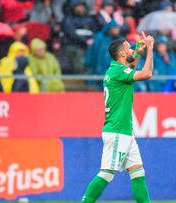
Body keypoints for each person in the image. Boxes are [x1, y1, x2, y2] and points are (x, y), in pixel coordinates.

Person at [80, 33, 155, 203]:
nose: (132, 48)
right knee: (107, 173)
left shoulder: (116, 69)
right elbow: (147, 74)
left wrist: (138, 51)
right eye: (129, 47)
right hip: (117, 131)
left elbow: (131, 64)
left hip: (125, 131)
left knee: (138, 173)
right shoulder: (117, 71)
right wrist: (150, 49)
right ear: (121, 53)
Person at [61, 0, 96, 74]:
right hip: (73, 46)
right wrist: (85, 41)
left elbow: (94, 32)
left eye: (82, 6)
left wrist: (91, 41)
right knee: (79, 57)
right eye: (78, 6)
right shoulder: (68, 19)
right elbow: (71, 34)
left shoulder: (89, 19)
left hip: (88, 46)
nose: (81, 8)